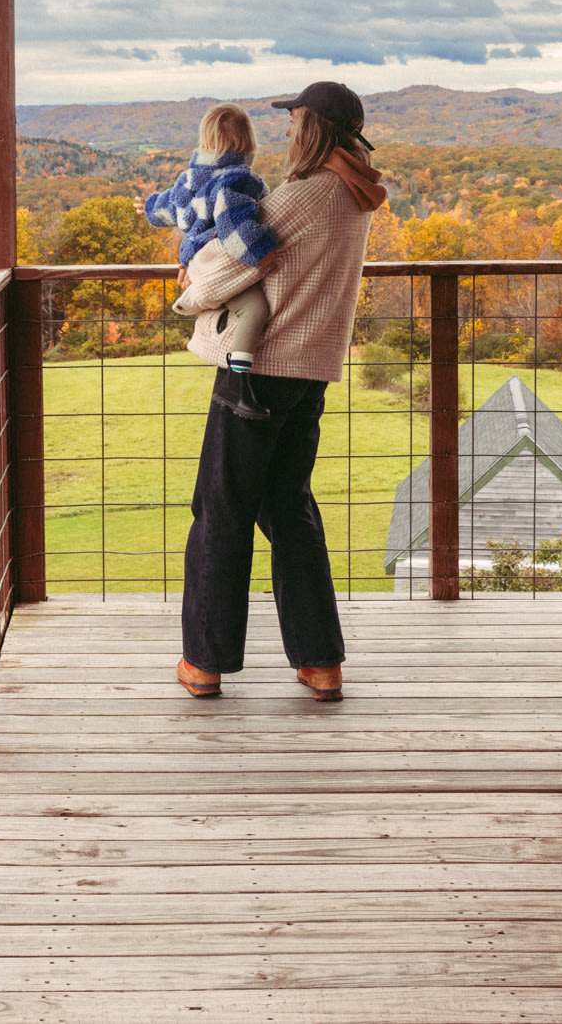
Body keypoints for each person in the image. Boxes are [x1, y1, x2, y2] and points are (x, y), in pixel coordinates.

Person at [169, 81, 386, 705]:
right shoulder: (354, 191)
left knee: (221, 507)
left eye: (293, 121)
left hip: (259, 367)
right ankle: (320, 663)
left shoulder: (306, 194)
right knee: (286, 506)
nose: (286, 132)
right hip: (310, 370)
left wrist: (188, 283)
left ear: (312, 127)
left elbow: (230, 265)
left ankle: (204, 662)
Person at [140, 103, 278, 421]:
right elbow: (231, 223)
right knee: (254, 309)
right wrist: (262, 250)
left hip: (194, 257)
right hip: (214, 260)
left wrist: (147, 207)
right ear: (248, 144)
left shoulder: (191, 180)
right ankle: (238, 386)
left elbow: (171, 207)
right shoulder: (238, 180)